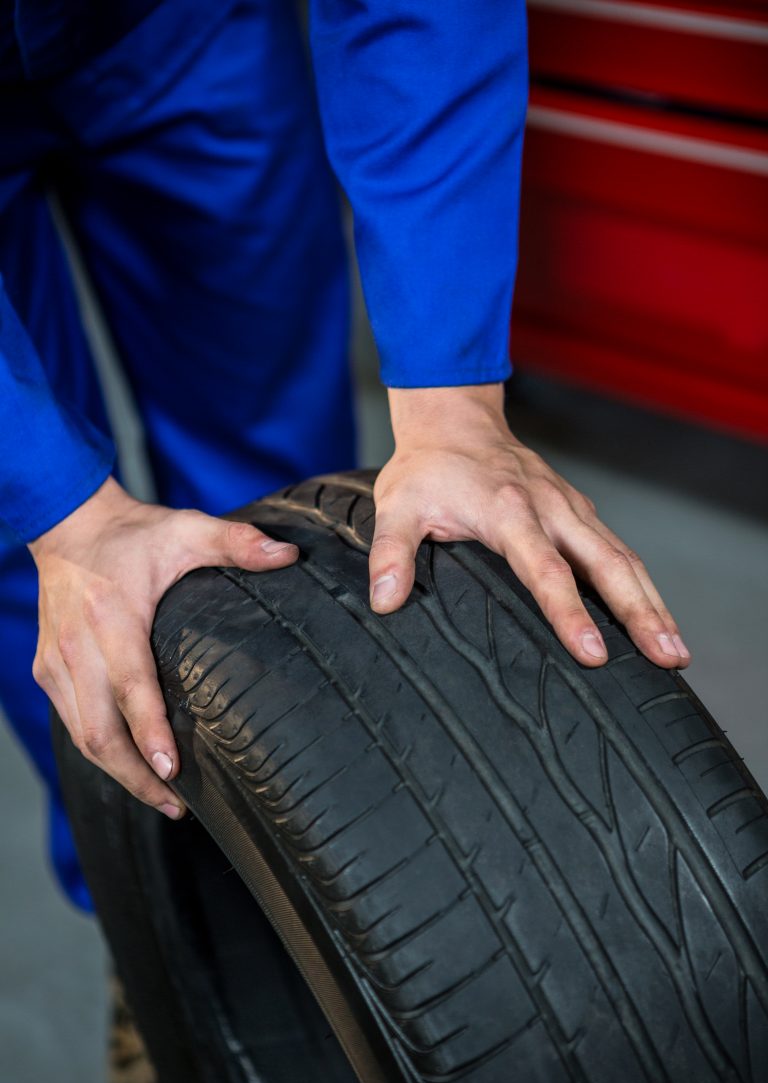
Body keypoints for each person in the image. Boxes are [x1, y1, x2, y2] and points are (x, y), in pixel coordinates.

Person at [1, 0, 690, 911]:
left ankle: (297, 889)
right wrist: (60, 511)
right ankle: (154, 937)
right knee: (57, 575)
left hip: (176, 28)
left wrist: (453, 410)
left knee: (272, 512)